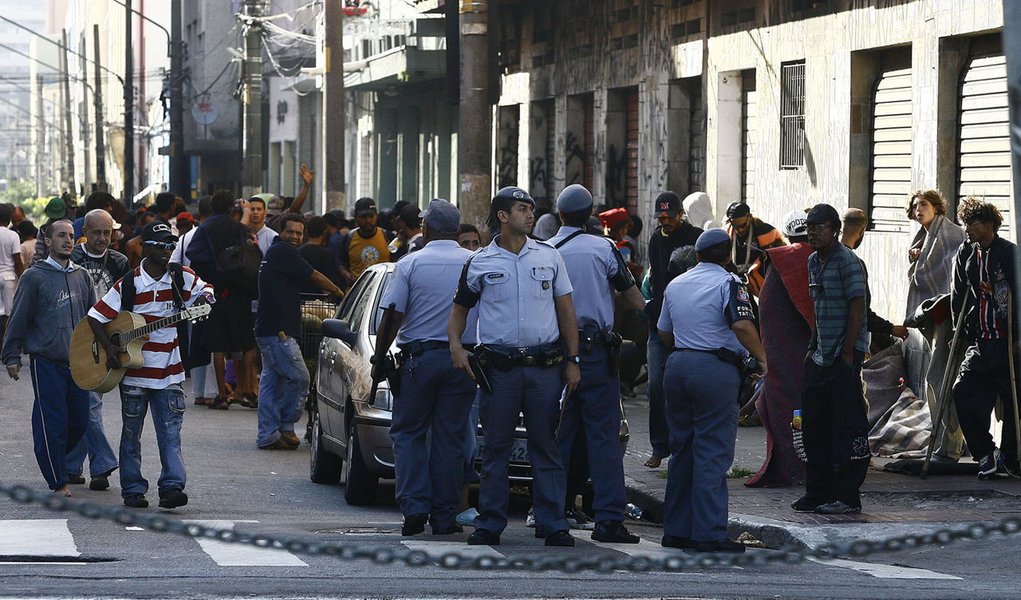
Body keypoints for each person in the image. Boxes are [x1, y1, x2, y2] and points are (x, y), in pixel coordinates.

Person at [449, 186, 581, 547]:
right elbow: (459, 310)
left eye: (532, 209)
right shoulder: (480, 261)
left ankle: (553, 522)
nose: (530, 215)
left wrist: (572, 360)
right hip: (500, 371)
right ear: (503, 216)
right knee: (496, 448)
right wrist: (457, 348)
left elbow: (566, 310)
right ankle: (490, 521)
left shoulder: (550, 255)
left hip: (543, 368)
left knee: (546, 446)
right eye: (522, 209)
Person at [87, 221, 214, 509]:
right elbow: (96, 317)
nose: (167, 250)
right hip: (133, 373)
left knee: (170, 433)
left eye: (171, 245)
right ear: (145, 247)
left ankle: (171, 487)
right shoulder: (130, 284)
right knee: (131, 434)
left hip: (169, 373)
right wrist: (108, 348)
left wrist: (205, 298)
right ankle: (132, 489)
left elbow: (207, 291)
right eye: (161, 245)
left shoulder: (181, 278)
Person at [371, 199, 478, 535]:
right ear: (458, 231)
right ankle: (445, 515)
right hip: (463, 361)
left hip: (419, 360)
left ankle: (415, 508)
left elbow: (393, 314)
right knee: (450, 438)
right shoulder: (475, 262)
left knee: (409, 433)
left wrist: (379, 356)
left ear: (427, 229)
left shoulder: (411, 264)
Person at [657, 228, 765, 553]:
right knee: (712, 453)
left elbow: (664, 332)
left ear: (698, 255)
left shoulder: (676, 284)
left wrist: (688, 347)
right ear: (729, 255)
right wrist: (763, 360)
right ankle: (710, 533)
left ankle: (676, 530)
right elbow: (742, 325)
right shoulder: (729, 283)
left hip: (677, 367)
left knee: (683, 451)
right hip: (714, 371)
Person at [548, 185, 645, 544]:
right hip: (593, 353)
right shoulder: (602, 248)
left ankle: (551, 512)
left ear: (559, 215)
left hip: (554, 354)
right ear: (590, 214)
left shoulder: (545, 250)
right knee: (603, 438)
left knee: (558, 437)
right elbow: (634, 298)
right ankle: (608, 519)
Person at [2, 220, 94, 496]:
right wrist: (11, 355)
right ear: (49, 241)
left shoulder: (82, 276)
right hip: (47, 361)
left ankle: (51, 453)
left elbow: (94, 319)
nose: (68, 240)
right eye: (61, 236)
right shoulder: (34, 277)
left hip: (78, 364)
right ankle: (58, 481)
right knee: (51, 422)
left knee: (79, 421)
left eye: (71, 236)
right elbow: (18, 318)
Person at [792, 204, 870, 515]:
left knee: (848, 427)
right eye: (810, 226)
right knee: (812, 425)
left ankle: (847, 496)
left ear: (835, 230)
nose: (813, 232)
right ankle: (818, 492)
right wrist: (812, 346)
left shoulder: (848, 261)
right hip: (821, 355)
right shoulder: (813, 261)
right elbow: (816, 306)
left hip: (844, 355)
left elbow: (857, 305)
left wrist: (849, 353)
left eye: (820, 227)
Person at [254, 214, 343, 450]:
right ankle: (284, 426)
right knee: (300, 377)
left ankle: (268, 433)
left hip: (271, 328)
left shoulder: (277, 252)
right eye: (290, 232)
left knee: (271, 381)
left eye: (298, 233)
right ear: (281, 233)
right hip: (277, 331)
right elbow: (313, 275)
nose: (294, 237)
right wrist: (341, 292)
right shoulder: (283, 251)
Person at [950, 197, 1019, 479]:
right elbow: (958, 294)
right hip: (981, 341)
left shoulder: (1009, 254)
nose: (967, 228)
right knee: (962, 391)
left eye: (973, 223)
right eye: (966, 223)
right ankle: (984, 453)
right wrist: (960, 331)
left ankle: (1010, 458)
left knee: (1015, 403)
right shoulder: (966, 254)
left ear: (990, 224)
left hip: (1008, 342)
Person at [746, 210, 813, 488]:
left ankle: (797, 465)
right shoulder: (829, 257)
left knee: (791, 410)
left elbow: (769, 315)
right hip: (818, 354)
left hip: (787, 359)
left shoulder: (778, 262)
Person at [66, 209, 129, 490]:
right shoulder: (72, 259)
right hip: (76, 338)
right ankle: (100, 463)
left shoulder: (119, 262)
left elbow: (127, 302)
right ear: (85, 234)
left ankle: (73, 465)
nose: (103, 238)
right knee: (86, 403)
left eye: (107, 233)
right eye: (97, 233)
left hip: (105, 339)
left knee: (88, 402)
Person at [903, 190, 967, 462]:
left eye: (924, 205)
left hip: (950, 316)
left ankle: (950, 445)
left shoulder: (950, 234)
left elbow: (953, 275)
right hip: (935, 317)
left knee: (940, 378)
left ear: (937, 207)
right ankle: (946, 441)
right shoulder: (925, 235)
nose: (919, 210)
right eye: (916, 206)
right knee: (938, 379)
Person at [644, 191, 703, 468]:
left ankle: (689, 447)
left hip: (689, 321)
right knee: (656, 385)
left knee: (689, 387)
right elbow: (655, 276)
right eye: (661, 217)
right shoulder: (656, 238)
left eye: (670, 216)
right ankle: (659, 446)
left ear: (681, 214)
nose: (665, 221)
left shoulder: (696, 237)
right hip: (659, 321)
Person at [186, 190, 259, 410]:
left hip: (215, 295)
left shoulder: (205, 229)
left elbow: (194, 256)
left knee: (218, 346)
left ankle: (220, 394)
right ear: (231, 208)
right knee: (247, 344)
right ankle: (246, 389)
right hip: (240, 294)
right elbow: (253, 254)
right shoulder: (239, 229)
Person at [840, 209, 909, 345]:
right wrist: (891, 328)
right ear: (862, 231)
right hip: (849, 344)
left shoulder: (823, 258)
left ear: (841, 229)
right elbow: (861, 312)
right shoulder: (855, 264)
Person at [724, 201, 785, 295]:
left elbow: (782, 256)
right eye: (736, 226)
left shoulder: (766, 231)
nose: (740, 230)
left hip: (764, 286)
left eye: (743, 225)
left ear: (749, 217)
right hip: (735, 283)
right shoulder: (725, 234)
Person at [337, 197, 392, 287]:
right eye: (363, 217)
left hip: (381, 291)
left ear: (376, 216)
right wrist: (346, 274)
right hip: (357, 293)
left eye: (371, 216)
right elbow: (341, 263)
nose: (368, 221)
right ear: (355, 218)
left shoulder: (387, 236)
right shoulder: (349, 238)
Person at [0, 203, 25, 342]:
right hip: (9, 277)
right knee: (9, 314)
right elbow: (17, 260)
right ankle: (8, 344)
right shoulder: (12, 235)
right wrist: (22, 278)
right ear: (9, 218)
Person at [298, 216, 342, 293]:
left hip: (301, 297)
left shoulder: (298, 252)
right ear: (324, 232)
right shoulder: (327, 255)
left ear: (306, 231)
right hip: (321, 300)